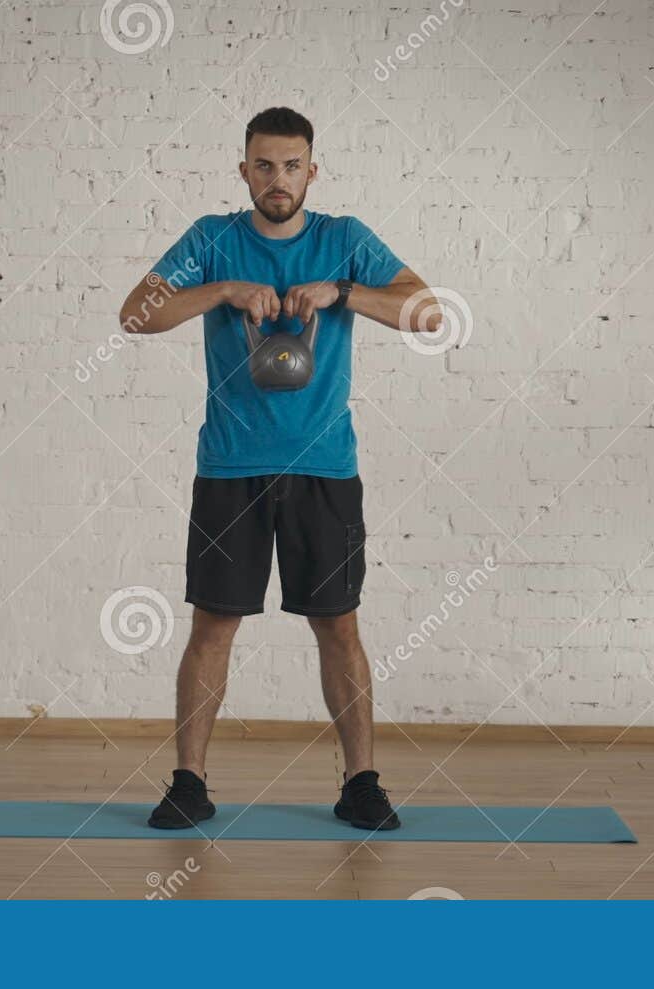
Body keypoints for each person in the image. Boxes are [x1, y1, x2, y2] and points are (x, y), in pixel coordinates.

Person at [118, 106, 442, 832]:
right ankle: (188, 784)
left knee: (339, 627)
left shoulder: (344, 240)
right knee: (213, 627)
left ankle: (361, 784)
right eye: (263, 165)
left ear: (311, 171)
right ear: (244, 170)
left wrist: (342, 292)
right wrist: (225, 290)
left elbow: (428, 313)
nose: (278, 179)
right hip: (231, 466)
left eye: (291, 165)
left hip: (325, 468)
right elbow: (137, 314)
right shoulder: (213, 239)